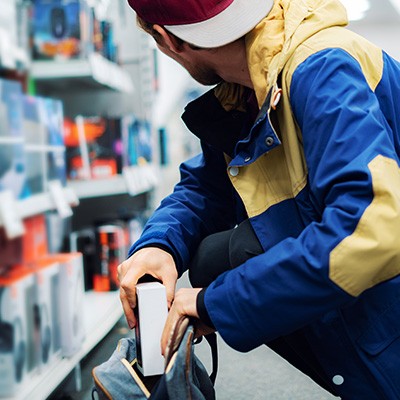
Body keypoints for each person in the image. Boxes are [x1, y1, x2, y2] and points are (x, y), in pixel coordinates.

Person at [118, 0, 400, 398]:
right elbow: (207, 186)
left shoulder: (320, 68)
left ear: (166, 40)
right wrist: (158, 245)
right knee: (214, 255)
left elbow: (372, 231)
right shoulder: (247, 88)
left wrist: (216, 304)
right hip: (367, 323)